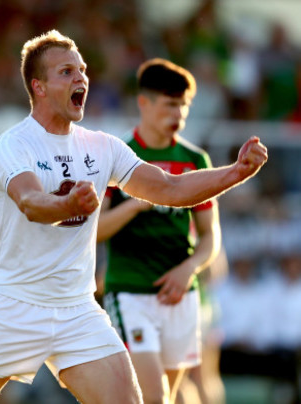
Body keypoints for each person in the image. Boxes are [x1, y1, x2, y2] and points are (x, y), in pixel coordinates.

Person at [0, 30, 267, 404]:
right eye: (66, 72)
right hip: (15, 307)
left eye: (83, 70)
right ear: (38, 87)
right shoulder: (14, 145)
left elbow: (170, 189)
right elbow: (30, 202)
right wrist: (69, 206)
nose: (81, 78)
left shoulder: (102, 146)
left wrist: (236, 173)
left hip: (77, 310)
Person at [96, 58, 222, 404]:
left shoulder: (194, 160)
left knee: (177, 392)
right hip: (131, 292)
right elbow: (94, 232)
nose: (178, 114)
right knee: (153, 396)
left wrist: (189, 269)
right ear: (144, 103)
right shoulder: (118, 157)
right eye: (170, 105)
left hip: (181, 293)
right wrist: (136, 203)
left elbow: (210, 235)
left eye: (184, 106)